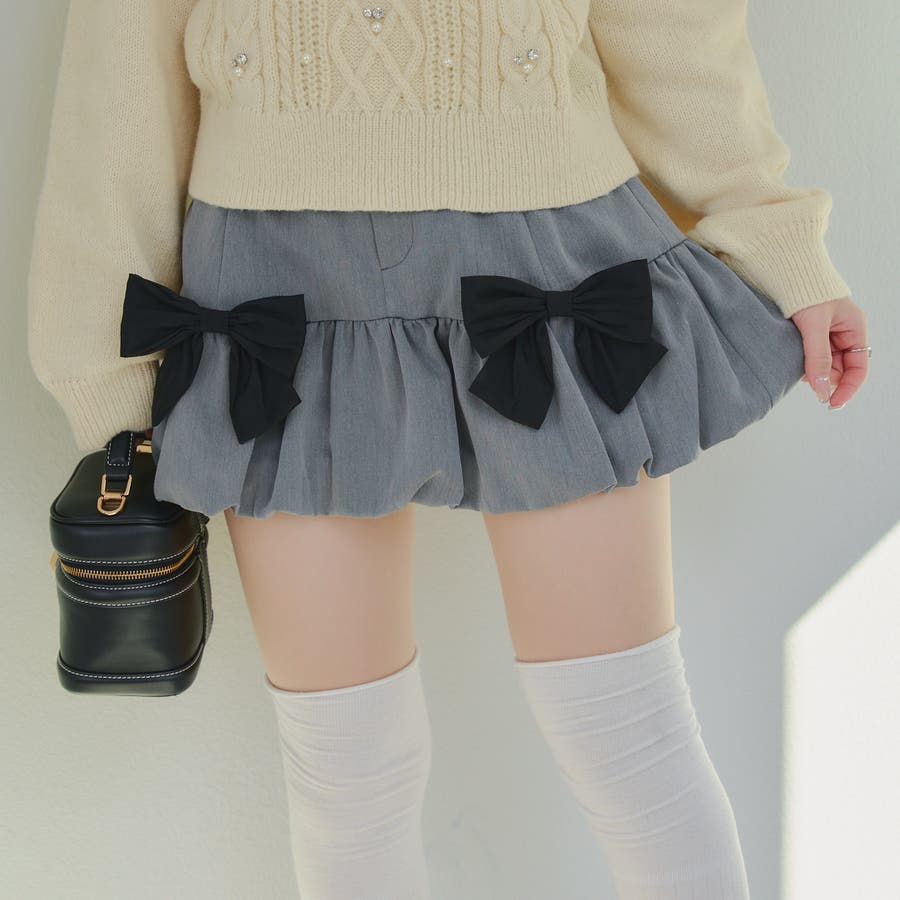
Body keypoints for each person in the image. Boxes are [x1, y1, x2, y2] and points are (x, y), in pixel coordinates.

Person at [27, 1, 869, 897]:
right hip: (275, 285)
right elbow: (119, 75)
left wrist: (773, 233)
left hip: (546, 250)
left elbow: (669, 25)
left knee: (630, 741)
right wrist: (109, 387)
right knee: (349, 774)